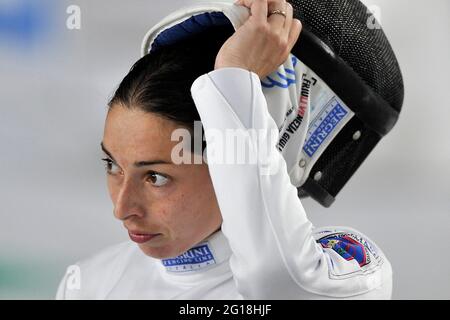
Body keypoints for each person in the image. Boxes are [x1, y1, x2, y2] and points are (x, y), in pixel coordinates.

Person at [56, 0, 392, 299]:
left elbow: (277, 282)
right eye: (112, 165)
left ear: (233, 159)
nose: (122, 208)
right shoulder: (89, 285)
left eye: (156, 177)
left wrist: (232, 78)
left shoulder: (344, 270)